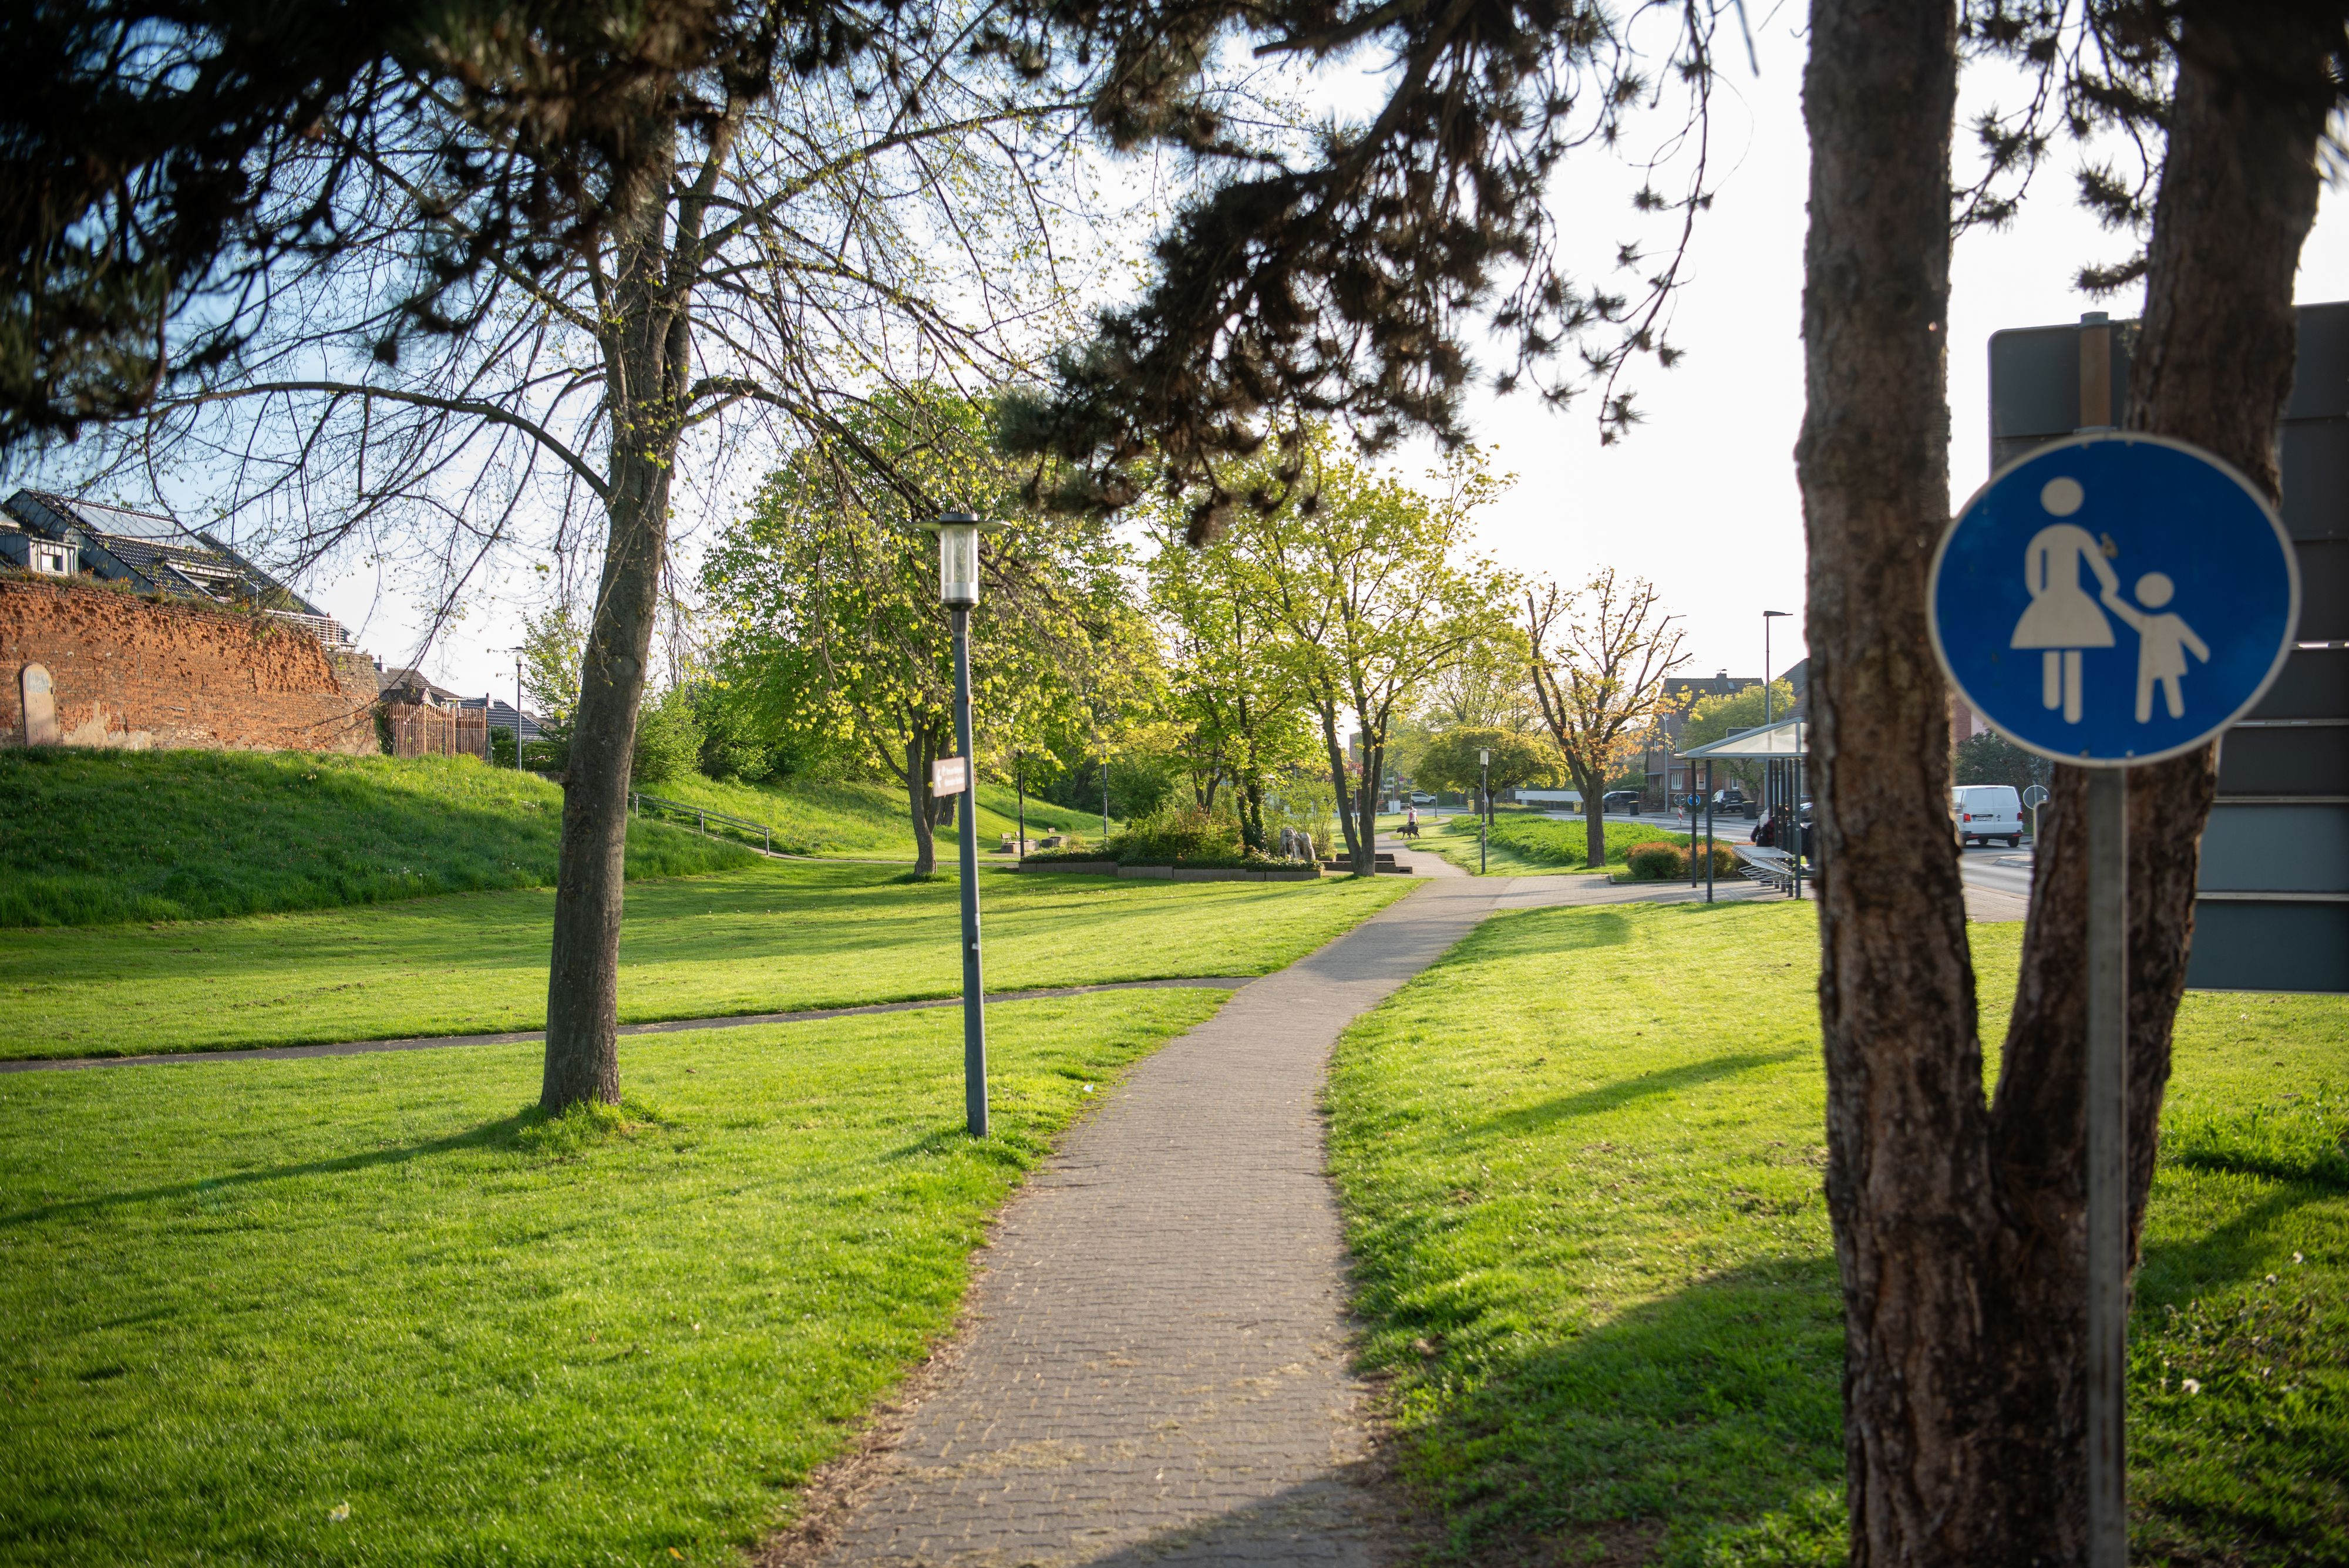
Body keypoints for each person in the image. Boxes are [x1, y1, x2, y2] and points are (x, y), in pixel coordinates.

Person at [2101, 571, 2210, 722]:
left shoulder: (2162, 620)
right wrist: (2109, 599)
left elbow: (2188, 637)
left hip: (2165, 659)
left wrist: (2203, 653)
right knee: (2150, 686)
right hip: (2155, 659)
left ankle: (2163, 715)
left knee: (2163, 685)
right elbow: (2126, 613)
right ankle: (2147, 717)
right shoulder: (2152, 621)